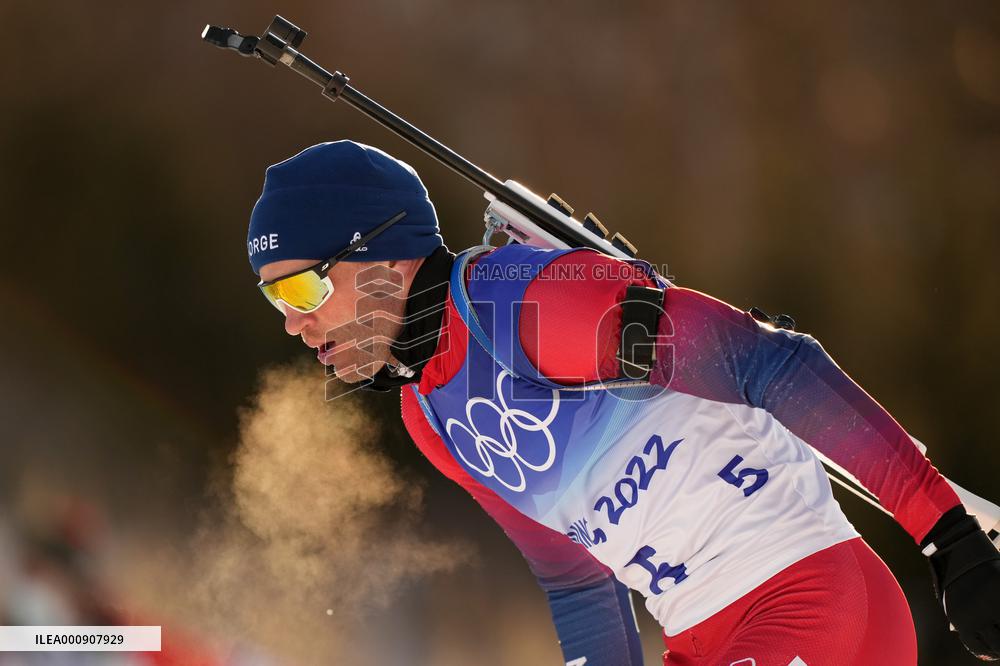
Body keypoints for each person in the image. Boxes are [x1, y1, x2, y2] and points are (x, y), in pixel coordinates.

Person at [246, 140, 1000, 665]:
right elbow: (577, 581)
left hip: (812, 602)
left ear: (381, 253)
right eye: (274, 299)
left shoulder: (529, 305)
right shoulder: (430, 419)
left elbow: (769, 360)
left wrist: (952, 544)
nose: (290, 320)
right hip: (704, 641)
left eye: (302, 287)